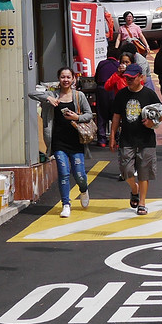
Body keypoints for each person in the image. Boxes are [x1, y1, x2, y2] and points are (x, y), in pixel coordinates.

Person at [110, 63, 162, 215]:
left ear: (141, 77)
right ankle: (134, 189)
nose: (128, 80)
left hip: (146, 140)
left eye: (132, 78)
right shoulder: (121, 94)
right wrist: (112, 136)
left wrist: (152, 123)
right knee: (126, 170)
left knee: (144, 172)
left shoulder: (149, 94)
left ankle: (142, 202)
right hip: (127, 138)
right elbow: (116, 116)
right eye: (126, 78)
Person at [41, 66, 93, 218]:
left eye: (68, 77)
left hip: (76, 141)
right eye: (63, 77)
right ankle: (66, 204)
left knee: (79, 175)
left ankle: (83, 190)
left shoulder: (79, 96)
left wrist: (77, 117)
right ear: (59, 79)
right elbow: (32, 94)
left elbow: (89, 114)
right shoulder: (53, 95)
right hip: (58, 142)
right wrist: (47, 98)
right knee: (63, 173)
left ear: (73, 79)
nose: (65, 80)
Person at [94, 47, 131, 147]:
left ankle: (101, 139)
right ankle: (116, 138)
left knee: (101, 115)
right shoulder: (119, 66)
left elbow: (96, 78)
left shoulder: (102, 64)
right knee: (116, 115)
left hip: (101, 90)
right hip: (114, 91)